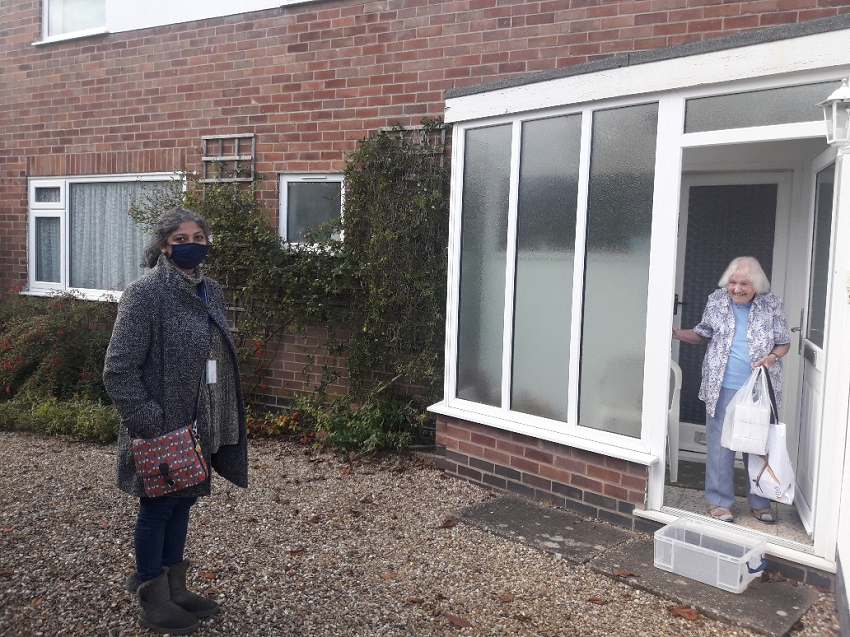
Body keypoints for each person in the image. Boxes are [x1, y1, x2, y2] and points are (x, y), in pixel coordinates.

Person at [103, 208, 248, 635]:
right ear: (164, 246)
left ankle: (175, 586)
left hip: (203, 419)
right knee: (158, 506)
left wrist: (219, 411)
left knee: (184, 500)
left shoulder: (211, 290)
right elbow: (118, 369)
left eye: (199, 235)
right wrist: (152, 422)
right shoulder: (146, 294)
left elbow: (214, 357)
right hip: (164, 425)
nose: (193, 243)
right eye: (182, 237)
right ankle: (153, 596)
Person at [672, 256, 790, 525]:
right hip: (721, 385)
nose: (736, 288)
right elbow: (704, 333)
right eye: (732, 282)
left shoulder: (771, 303)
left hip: (758, 387)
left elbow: (783, 343)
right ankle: (718, 501)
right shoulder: (716, 300)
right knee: (720, 445)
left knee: (758, 444)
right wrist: (677, 333)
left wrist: (771, 357)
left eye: (743, 283)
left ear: (756, 284)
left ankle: (760, 501)